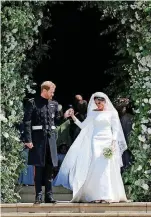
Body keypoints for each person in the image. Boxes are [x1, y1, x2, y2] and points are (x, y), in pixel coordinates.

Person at [54, 92, 127, 203]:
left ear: (105, 101)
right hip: (95, 141)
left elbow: (116, 128)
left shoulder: (112, 113)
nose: (98, 105)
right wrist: (73, 117)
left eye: (100, 102)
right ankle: (95, 195)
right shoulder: (93, 113)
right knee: (95, 164)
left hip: (107, 140)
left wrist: (113, 142)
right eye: (96, 103)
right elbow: (83, 126)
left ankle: (106, 194)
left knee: (106, 166)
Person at [23, 81, 64, 204]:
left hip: (50, 141)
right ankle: (38, 195)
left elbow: (56, 120)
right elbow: (27, 122)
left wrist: (64, 115)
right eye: (51, 91)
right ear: (44, 90)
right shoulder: (33, 103)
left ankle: (49, 196)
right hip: (38, 140)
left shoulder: (54, 104)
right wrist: (28, 140)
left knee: (50, 169)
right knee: (39, 169)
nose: (53, 93)